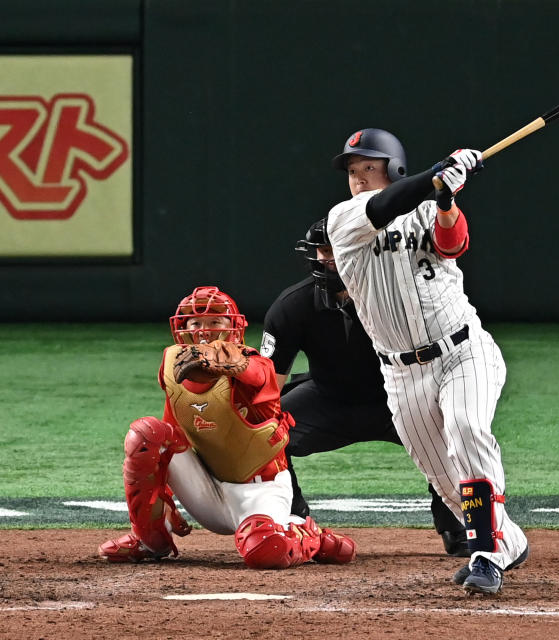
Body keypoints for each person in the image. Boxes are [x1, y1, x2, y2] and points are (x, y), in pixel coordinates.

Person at [325, 128, 528, 594]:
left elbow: (453, 244)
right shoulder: (344, 219)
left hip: (463, 350)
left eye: (368, 168)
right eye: (353, 171)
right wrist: (439, 174)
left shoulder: (425, 205)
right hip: (400, 373)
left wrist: (446, 198)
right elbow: (384, 206)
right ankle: (506, 540)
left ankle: (486, 554)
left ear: (392, 168)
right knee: (444, 478)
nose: (358, 178)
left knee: (466, 429)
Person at [98, 285, 356, 569]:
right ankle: (150, 540)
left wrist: (236, 364)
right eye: (195, 323)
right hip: (207, 487)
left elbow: (258, 374)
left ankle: (310, 535)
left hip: (261, 491)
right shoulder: (173, 365)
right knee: (147, 434)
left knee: (264, 551)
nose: (203, 331)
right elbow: (171, 437)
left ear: (232, 328)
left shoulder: (257, 365)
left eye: (214, 322)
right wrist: (164, 500)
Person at [260, 218, 469, 557]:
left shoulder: (401, 296)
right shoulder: (292, 306)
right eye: (325, 250)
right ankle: (294, 524)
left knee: (453, 428)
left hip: (399, 397)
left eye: (340, 249)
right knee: (265, 432)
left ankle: (458, 526)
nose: (332, 259)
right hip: (329, 398)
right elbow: (267, 387)